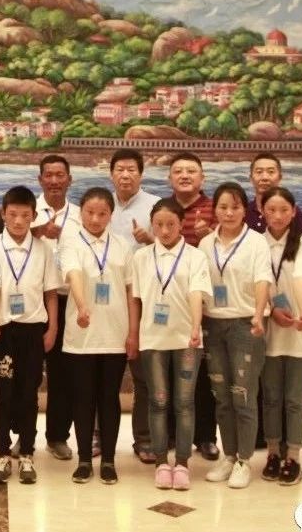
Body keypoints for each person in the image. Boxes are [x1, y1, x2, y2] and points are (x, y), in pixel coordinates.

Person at [0, 186, 63, 485]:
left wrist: (52, 328)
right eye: (13, 214)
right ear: (3, 214)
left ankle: (27, 452)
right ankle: (3, 453)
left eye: (25, 215)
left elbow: (50, 292)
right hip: (3, 330)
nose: (18, 221)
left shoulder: (42, 249)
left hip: (33, 330)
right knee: (3, 393)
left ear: (33, 216)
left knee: (30, 393)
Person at [58, 187, 136, 484]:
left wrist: (132, 332)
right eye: (90, 212)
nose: (95, 219)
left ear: (110, 215)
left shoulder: (122, 245)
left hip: (115, 334)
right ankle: (83, 460)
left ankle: (109, 461)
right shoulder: (71, 242)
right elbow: (74, 274)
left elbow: (130, 290)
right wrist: (81, 306)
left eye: (102, 213)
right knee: (83, 398)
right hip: (82, 335)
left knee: (109, 398)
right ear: (81, 213)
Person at [198, 182, 272, 489]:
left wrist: (258, 314)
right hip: (213, 325)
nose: (229, 213)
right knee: (222, 397)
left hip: (245, 324)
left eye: (235, 207)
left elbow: (263, 279)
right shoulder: (206, 243)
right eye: (223, 207)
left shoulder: (256, 242)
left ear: (245, 210)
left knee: (243, 395)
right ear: (214, 210)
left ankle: (244, 460)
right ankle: (228, 455)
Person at [131, 199, 207, 491]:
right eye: (159, 225)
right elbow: (136, 299)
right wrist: (134, 334)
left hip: (187, 339)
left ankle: (183, 463)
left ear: (181, 224)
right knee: (158, 400)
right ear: (152, 225)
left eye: (171, 224)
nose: (164, 231)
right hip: (153, 339)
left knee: (184, 402)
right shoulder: (141, 257)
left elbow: (197, 293)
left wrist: (196, 327)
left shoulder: (195, 256)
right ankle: (162, 462)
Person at [258, 187, 302, 486]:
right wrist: (271, 309)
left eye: (284, 210)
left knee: (294, 399)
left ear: (294, 212)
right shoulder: (256, 243)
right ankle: (272, 452)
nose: (278, 216)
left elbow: (300, 279)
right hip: (269, 327)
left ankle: (292, 456)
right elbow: (258, 281)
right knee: (271, 397)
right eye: (271, 210)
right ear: (262, 211)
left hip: (298, 329)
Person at [165, 152, 219, 460]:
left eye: (191, 171)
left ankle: (206, 436)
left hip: (205, 305)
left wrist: (209, 237)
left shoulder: (215, 208)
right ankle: (172, 433)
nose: (184, 175)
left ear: (202, 177)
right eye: (178, 171)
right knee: (171, 371)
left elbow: (226, 251)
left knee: (203, 375)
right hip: (170, 304)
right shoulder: (164, 208)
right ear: (169, 178)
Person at [106, 148, 157, 463]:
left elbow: (172, 249)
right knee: (102, 375)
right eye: (120, 170)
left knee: (144, 378)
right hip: (107, 301)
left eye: (131, 170)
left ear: (141, 174)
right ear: (111, 173)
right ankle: (98, 435)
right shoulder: (100, 204)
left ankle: (145, 438)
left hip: (143, 299)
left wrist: (149, 239)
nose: (125, 175)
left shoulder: (155, 206)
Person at [33, 154, 83, 462]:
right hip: (30, 300)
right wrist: (38, 231)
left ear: (69, 180)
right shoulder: (27, 212)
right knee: (26, 374)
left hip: (65, 300)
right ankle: (21, 435)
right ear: (40, 179)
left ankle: (57, 436)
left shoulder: (80, 215)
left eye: (59, 175)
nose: (54, 181)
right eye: (48, 175)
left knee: (62, 374)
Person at [245, 153, 302, 236]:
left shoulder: (292, 213)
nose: (265, 177)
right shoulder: (244, 212)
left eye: (271, 172)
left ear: (280, 178)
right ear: (251, 178)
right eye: (259, 172)